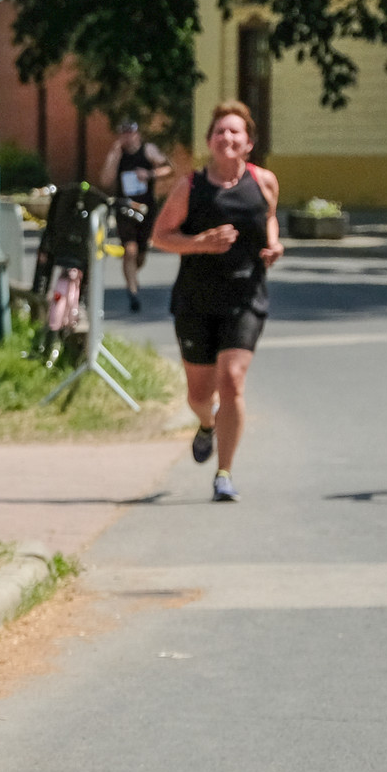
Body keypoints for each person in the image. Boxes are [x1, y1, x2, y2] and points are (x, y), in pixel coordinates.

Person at [150, 100, 282, 502]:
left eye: (235, 131)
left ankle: (224, 473)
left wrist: (273, 244)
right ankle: (206, 424)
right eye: (220, 131)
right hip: (196, 300)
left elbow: (269, 216)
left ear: (248, 142)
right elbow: (160, 236)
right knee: (199, 395)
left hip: (245, 296)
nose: (227, 137)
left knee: (232, 381)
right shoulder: (191, 187)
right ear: (209, 141)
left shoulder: (263, 181)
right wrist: (200, 243)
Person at [99, 119, 173, 314]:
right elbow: (105, 181)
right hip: (125, 209)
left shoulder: (148, 150)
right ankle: (132, 292)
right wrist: (114, 156)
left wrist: (149, 174)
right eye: (123, 133)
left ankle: (132, 273)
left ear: (137, 134)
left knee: (140, 254)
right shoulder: (118, 154)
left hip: (146, 209)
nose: (127, 137)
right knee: (129, 250)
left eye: (130, 133)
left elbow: (169, 168)